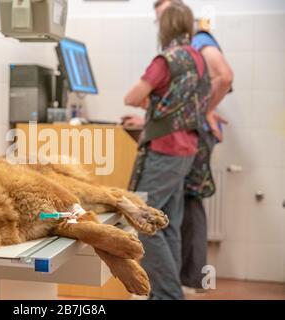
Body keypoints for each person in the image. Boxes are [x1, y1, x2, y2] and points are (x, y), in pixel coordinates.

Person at [123, 3, 211, 300]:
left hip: (164, 150)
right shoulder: (197, 58)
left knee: (143, 219)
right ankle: (165, 294)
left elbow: (131, 96)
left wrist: (153, 109)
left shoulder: (166, 60)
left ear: (165, 27)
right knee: (168, 224)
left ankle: (168, 294)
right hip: (188, 151)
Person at [152, 0, 234, 291]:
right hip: (191, 131)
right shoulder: (188, 47)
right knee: (183, 201)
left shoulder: (199, 40)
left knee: (190, 199)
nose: (162, 24)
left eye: (164, 17)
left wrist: (201, 111)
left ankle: (191, 278)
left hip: (193, 133)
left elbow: (225, 76)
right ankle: (185, 278)